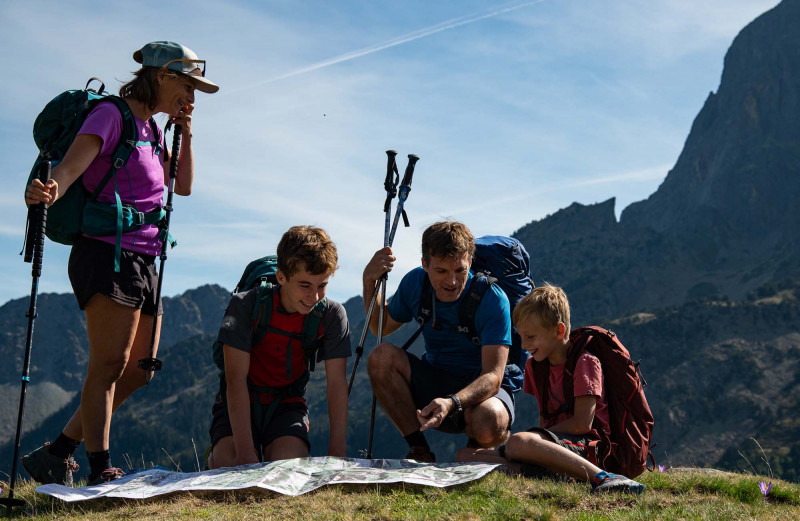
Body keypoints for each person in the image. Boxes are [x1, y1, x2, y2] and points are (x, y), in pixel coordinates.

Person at [22, 41, 218, 486]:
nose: (191, 97)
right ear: (163, 76)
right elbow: (73, 166)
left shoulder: (151, 128)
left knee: (140, 369)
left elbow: (181, 186)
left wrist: (185, 130)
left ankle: (57, 452)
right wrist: (49, 190)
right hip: (106, 254)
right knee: (108, 365)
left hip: (146, 258)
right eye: (188, 86)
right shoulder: (112, 116)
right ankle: (99, 469)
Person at [456, 285, 645, 494]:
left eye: (530, 337)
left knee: (519, 442)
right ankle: (538, 471)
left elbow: (583, 424)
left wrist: (534, 439)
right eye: (521, 337)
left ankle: (604, 477)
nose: (524, 345)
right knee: (465, 456)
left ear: (558, 330)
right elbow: (544, 417)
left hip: (589, 448)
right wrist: (535, 444)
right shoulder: (535, 367)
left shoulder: (585, 363)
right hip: (554, 443)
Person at [364, 221, 515, 462]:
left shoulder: (492, 299)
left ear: (470, 263)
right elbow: (379, 327)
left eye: (460, 271)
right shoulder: (415, 284)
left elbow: (493, 378)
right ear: (425, 264)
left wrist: (452, 402)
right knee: (381, 357)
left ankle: (476, 451)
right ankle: (419, 451)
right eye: (442, 271)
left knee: (490, 421)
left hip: (481, 392)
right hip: (435, 383)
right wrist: (369, 280)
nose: (452, 281)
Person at [207, 226, 351, 468]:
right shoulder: (244, 306)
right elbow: (235, 380)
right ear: (281, 276)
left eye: (322, 285)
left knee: (289, 468)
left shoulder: (332, 315)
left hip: (287, 402)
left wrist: (338, 455)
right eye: (305, 285)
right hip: (243, 397)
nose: (314, 297)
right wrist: (244, 455)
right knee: (230, 465)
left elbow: (336, 383)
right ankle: (215, 457)